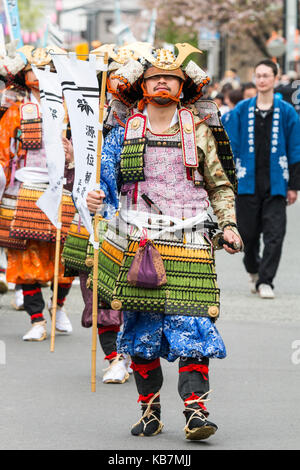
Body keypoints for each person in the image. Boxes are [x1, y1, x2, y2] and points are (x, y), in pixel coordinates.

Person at [86, 43, 242, 441]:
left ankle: (195, 411)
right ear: (142, 84)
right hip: (138, 237)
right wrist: (95, 197)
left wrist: (228, 224)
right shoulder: (123, 131)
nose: (161, 82)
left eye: (169, 77)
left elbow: (220, 184)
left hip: (189, 235)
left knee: (193, 323)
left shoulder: (199, 129)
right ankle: (149, 409)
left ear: (181, 85)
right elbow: (104, 182)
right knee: (142, 330)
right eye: (154, 75)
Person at [62, 44, 132, 383]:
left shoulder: (150, 120)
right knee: (96, 285)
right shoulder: (85, 112)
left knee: (136, 285)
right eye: (112, 75)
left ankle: (134, 351)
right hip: (94, 209)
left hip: (137, 212)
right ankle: (113, 356)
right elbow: (76, 162)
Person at [0, 46, 75, 340]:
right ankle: (36, 319)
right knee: (23, 256)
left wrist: (74, 155)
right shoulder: (17, 112)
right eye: (36, 69)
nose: (42, 75)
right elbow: (4, 154)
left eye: (49, 69)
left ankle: (59, 306)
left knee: (67, 257)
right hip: (25, 188)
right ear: (24, 75)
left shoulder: (73, 110)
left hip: (64, 189)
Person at [223, 59, 300, 298]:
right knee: (247, 235)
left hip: (277, 182)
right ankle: (253, 270)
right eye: (258, 75)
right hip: (246, 182)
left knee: (275, 235)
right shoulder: (242, 110)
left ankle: (266, 281)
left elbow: (296, 148)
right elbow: (230, 145)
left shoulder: (287, 112)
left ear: (276, 79)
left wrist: (294, 186)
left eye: (267, 75)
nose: (262, 79)